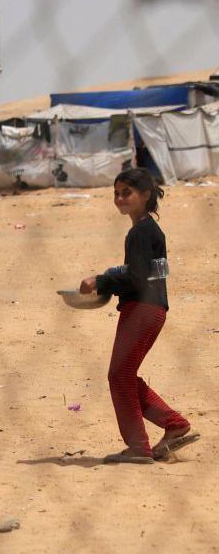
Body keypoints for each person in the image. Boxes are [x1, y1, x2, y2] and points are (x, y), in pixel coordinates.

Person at [79, 168, 199, 464]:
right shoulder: (152, 231)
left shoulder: (140, 232)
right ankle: (173, 425)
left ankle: (139, 446)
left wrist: (102, 282)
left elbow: (137, 279)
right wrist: (114, 274)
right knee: (124, 374)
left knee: (118, 375)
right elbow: (156, 273)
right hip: (156, 308)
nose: (120, 198)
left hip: (141, 311)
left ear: (145, 195)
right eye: (116, 194)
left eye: (126, 193)